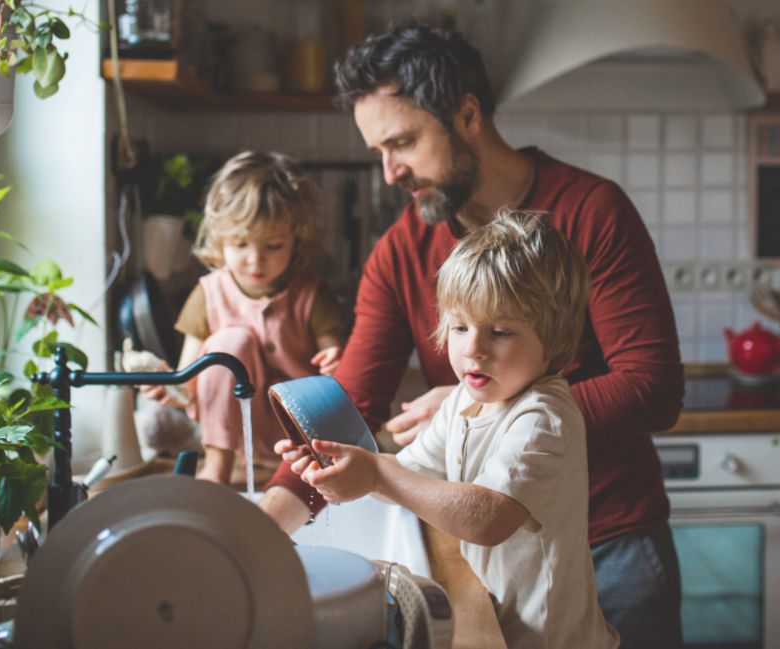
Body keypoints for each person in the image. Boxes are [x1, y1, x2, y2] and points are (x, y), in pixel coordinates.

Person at [257, 21, 685, 647]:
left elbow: (652, 388)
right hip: (494, 561)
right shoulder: (402, 247)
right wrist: (268, 525)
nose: (390, 173)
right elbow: (348, 406)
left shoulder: (592, 212)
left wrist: (486, 408)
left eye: (402, 142)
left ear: (467, 114)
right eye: (379, 150)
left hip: (610, 542)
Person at [287, 209, 617, 649]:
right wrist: (344, 470)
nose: (472, 349)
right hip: (503, 624)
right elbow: (410, 477)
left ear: (554, 341)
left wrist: (378, 473)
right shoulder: (464, 399)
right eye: (460, 327)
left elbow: (489, 518)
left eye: (499, 332)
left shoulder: (542, 417)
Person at [146, 150, 347, 485]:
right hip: (234, 435)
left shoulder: (312, 294)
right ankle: (217, 467)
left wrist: (336, 362)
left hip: (302, 432)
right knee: (229, 343)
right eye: (241, 244)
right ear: (220, 239)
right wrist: (170, 384)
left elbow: (339, 363)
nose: (256, 261)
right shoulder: (208, 293)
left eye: (273, 246)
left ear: (295, 240)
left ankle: (295, 469)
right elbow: (189, 379)